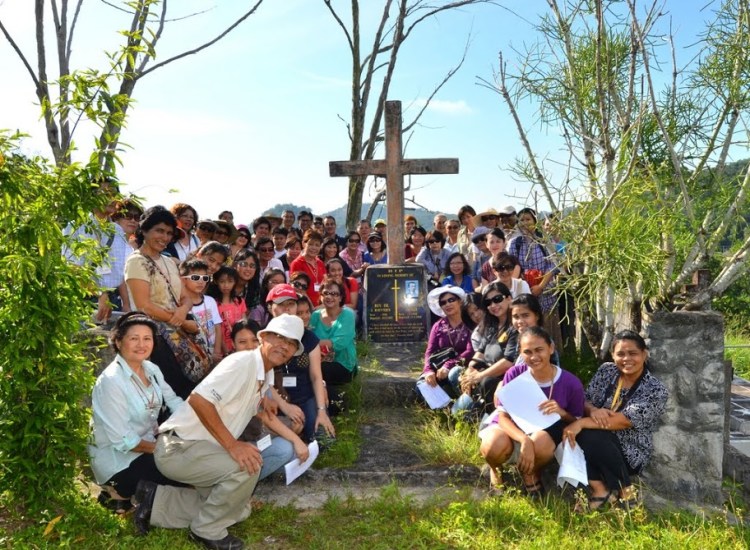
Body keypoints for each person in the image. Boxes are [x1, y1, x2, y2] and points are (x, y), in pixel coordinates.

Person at [135, 315, 308, 548]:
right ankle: (206, 530)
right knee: (247, 467)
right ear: (263, 337)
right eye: (278, 337)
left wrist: (296, 439)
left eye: (291, 343)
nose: (284, 345)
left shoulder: (264, 373)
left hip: (200, 450)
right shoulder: (242, 363)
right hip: (179, 448)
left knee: (240, 509)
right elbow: (199, 400)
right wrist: (233, 446)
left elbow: (263, 414)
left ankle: (154, 501)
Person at [89, 312, 185, 513]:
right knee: (186, 473)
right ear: (118, 341)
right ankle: (118, 492)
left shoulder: (150, 368)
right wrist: (164, 449)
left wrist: (195, 425)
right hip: (118, 462)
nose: (142, 344)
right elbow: (124, 441)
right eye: (134, 338)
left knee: (190, 463)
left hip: (148, 445)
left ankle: (137, 494)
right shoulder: (111, 381)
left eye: (147, 338)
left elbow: (174, 401)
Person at [563, 330, 668, 511]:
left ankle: (619, 491)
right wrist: (594, 410)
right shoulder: (607, 371)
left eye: (633, 353)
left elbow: (623, 421)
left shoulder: (655, 390)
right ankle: (609, 491)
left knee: (587, 434)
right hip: (595, 439)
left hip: (629, 449)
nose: (626, 358)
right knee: (571, 433)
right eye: (620, 354)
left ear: (644, 354)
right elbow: (585, 400)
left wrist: (580, 423)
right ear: (613, 355)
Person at [479, 327, 585, 497]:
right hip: (511, 427)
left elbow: (576, 420)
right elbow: (503, 415)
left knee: (541, 443)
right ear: (520, 353)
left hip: (546, 431)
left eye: (539, 350)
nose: (534, 357)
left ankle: (530, 473)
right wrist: (523, 439)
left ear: (551, 348)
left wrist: (561, 412)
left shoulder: (570, 382)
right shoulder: (514, 373)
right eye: (527, 352)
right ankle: (495, 469)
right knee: (492, 444)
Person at [125, 206, 207, 400]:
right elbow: (144, 305)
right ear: (144, 230)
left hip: (177, 331)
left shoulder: (169, 261)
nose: (165, 237)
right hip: (155, 337)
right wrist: (180, 320)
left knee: (189, 387)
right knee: (171, 391)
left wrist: (182, 312)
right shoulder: (137, 261)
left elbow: (185, 297)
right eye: (159, 230)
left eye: (169, 233)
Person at [268, 284, 336, 443]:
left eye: (291, 304)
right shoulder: (265, 336)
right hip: (276, 400)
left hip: (305, 396)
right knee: (282, 440)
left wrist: (321, 411)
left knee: (324, 441)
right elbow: (263, 379)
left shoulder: (308, 337)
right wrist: (286, 407)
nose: (286, 310)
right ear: (271, 308)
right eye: (281, 305)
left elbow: (316, 376)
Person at [450, 282, 514, 416]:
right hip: (485, 372)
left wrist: (479, 376)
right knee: (461, 379)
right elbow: (480, 352)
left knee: (486, 381)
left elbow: (509, 361)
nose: (493, 306)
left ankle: (485, 413)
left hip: (504, 377)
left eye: (497, 299)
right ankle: (472, 409)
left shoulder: (515, 326)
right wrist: (470, 371)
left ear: (509, 298)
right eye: (488, 303)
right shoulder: (491, 325)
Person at [507, 207, 560, 347]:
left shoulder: (545, 241)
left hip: (546, 291)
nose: (525, 223)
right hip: (524, 291)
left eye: (528, 219)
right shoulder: (515, 243)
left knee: (548, 326)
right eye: (522, 220)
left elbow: (553, 265)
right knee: (527, 326)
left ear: (535, 221)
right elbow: (512, 266)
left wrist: (540, 286)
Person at [309, 278, 358, 407]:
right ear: (320, 296)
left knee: (317, 370)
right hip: (319, 359)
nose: (329, 297)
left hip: (343, 363)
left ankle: (333, 404)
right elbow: (308, 337)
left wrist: (314, 344)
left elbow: (340, 343)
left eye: (334, 294)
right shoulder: (315, 316)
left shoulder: (347, 315)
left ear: (341, 298)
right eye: (326, 293)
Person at [419, 286, 473, 394]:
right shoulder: (438, 326)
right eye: (443, 303)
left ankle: (466, 405)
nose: (447, 304)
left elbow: (470, 351)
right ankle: (444, 407)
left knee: (454, 373)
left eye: (451, 300)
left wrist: (448, 365)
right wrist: (428, 370)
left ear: (460, 302)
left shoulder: (470, 322)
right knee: (421, 385)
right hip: (440, 368)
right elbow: (430, 351)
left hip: (464, 365)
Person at [180, 259, 223, 364]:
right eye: (195, 278)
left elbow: (217, 327)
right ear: (183, 280)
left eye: (204, 278)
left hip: (213, 352)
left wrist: (217, 351)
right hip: (193, 357)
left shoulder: (210, 301)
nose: (201, 281)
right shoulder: (180, 306)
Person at [207, 266, 246, 355]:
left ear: (235, 282)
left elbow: (244, 324)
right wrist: (225, 350)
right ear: (216, 282)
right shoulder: (213, 303)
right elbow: (217, 329)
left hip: (238, 347)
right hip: (220, 349)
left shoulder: (239, 301)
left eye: (230, 281)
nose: (226, 285)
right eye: (222, 281)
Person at [289, 229, 326, 306]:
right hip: (305, 306)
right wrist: (312, 308)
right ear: (303, 244)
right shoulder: (297, 263)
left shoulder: (320, 263)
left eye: (317, 245)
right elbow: (298, 290)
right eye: (311, 244)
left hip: (321, 306)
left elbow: (325, 284)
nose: (314, 248)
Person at [232, 248, 262, 314]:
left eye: (252, 266)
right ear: (235, 265)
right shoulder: (226, 283)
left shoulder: (256, 288)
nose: (248, 269)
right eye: (244, 264)